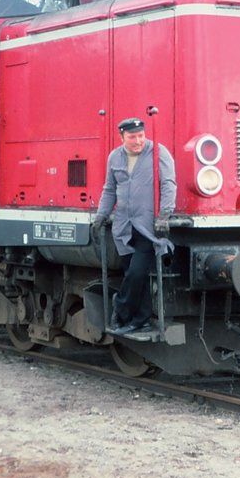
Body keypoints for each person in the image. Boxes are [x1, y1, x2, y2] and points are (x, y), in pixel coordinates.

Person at [93, 117, 177, 336]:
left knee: (137, 273)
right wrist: (101, 215)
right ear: (122, 137)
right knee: (133, 273)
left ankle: (120, 308)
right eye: (132, 137)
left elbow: (169, 184)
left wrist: (164, 215)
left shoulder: (159, 152)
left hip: (148, 227)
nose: (138, 141)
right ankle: (142, 320)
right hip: (123, 227)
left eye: (141, 136)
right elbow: (109, 189)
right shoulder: (114, 157)